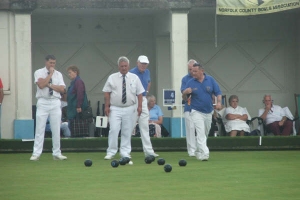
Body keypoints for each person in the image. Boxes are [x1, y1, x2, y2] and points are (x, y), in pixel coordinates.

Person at [103, 56, 144, 159]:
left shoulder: (135, 77)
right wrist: (107, 106)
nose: (124, 68)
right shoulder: (112, 77)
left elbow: (140, 93)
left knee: (127, 130)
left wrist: (140, 106)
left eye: (125, 66)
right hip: (115, 108)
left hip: (130, 107)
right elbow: (107, 92)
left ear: (128, 66)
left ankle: (125, 152)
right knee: (114, 129)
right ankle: (111, 151)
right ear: (118, 67)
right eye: (122, 66)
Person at [30, 55, 67, 161]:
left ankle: (57, 153)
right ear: (46, 62)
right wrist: (50, 74)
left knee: (56, 128)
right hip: (43, 101)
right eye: (50, 63)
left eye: (54, 63)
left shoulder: (59, 74)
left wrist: (49, 85)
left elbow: (62, 89)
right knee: (40, 128)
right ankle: (36, 153)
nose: (52, 65)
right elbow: (41, 85)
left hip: (55, 102)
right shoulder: (38, 72)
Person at [182, 62, 222, 161]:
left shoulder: (210, 80)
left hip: (208, 111)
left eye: (195, 71)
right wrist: (185, 92)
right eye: (192, 71)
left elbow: (218, 92)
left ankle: (198, 150)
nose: (193, 73)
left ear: (202, 71)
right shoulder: (190, 82)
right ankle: (205, 154)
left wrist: (219, 102)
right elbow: (185, 98)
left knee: (205, 133)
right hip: (196, 111)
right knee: (200, 132)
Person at [129, 55, 159, 157]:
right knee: (130, 126)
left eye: (145, 64)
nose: (143, 65)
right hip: (134, 100)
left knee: (145, 126)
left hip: (143, 100)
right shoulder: (132, 73)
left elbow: (149, 82)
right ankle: (125, 151)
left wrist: (146, 91)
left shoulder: (147, 72)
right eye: (142, 63)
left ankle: (149, 151)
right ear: (137, 62)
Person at [180, 59, 197, 157]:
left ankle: (200, 148)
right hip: (189, 107)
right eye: (189, 69)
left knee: (200, 129)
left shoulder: (203, 78)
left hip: (201, 108)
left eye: (193, 69)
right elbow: (183, 93)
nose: (191, 71)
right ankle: (191, 150)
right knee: (190, 128)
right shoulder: (185, 79)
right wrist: (186, 91)